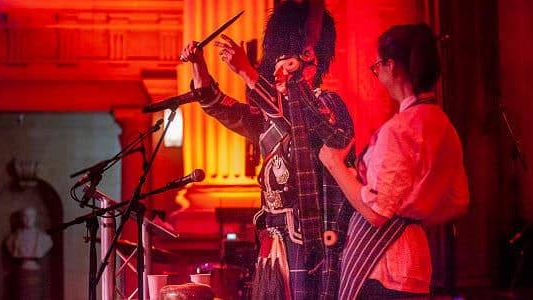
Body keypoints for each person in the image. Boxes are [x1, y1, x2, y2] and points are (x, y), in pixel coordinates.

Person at [180, 1, 354, 299]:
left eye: (286, 65)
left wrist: (248, 73)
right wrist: (199, 64)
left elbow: (302, 119)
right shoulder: (266, 119)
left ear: (311, 63)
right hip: (273, 237)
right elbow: (218, 105)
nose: (277, 75)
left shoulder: (328, 104)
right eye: (275, 67)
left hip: (312, 240)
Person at [318, 23, 470, 299]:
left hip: (383, 266)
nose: (378, 75)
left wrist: (334, 164)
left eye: (377, 66)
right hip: (416, 260)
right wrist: (412, 215)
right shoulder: (444, 125)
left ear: (392, 66)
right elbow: (459, 201)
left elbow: (377, 213)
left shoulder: (400, 129)